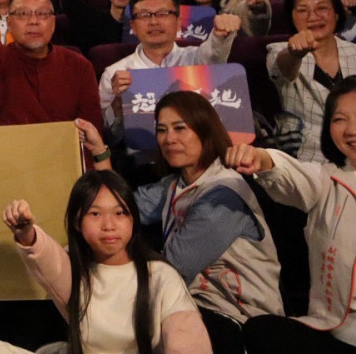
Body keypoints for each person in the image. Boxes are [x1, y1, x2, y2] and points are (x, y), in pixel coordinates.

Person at [79, 91, 282, 354]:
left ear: (205, 131)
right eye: (162, 130)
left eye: (180, 128)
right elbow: (123, 209)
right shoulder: (176, 184)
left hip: (238, 318)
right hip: (191, 304)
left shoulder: (223, 196)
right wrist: (99, 152)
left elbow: (174, 267)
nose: (169, 139)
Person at [227, 78, 356, 354]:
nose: (353, 130)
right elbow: (287, 172)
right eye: (339, 119)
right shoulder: (326, 179)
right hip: (334, 333)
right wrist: (261, 158)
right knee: (263, 330)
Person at [0, 171, 211, 354]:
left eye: (120, 213)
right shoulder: (76, 271)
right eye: (95, 214)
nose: (109, 225)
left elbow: (185, 336)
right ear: (77, 222)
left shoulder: (159, 275)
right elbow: (48, 258)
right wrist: (26, 233)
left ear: (133, 220)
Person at [266, 0, 356, 162]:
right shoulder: (279, 51)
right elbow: (283, 68)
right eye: (302, 10)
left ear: (336, 14)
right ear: (292, 17)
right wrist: (295, 53)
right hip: (311, 157)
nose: (313, 17)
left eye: (322, 8)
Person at [98, 0, 240, 134]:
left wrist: (221, 34)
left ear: (178, 22)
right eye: (144, 15)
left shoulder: (196, 58)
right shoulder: (114, 73)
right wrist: (118, 104)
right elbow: (106, 133)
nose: (154, 22)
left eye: (163, 13)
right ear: (133, 26)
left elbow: (214, 53)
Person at [0, 0, 102, 130]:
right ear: (9, 24)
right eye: (23, 14)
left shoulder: (79, 66)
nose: (33, 21)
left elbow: (92, 130)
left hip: (64, 144)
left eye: (42, 14)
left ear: (53, 23)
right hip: (9, 144)